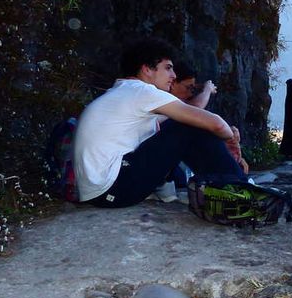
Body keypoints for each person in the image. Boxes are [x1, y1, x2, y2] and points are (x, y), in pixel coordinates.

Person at [73, 37, 246, 208]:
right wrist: (230, 138)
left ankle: (229, 185)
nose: (174, 75)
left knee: (183, 125)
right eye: (168, 68)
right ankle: (240, 190)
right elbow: (214, 123)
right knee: (188, 126)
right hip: (113, 189)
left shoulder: (124, 93)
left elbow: (186, 115)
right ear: (147, 69)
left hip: (99, 191)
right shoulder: (142, 92)